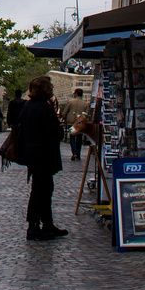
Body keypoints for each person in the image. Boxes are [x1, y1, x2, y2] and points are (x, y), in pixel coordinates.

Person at [22, 75, 66, 240]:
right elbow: (54, 133)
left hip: (33, 154)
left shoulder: (28, 106)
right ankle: (34, 226)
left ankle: (46, 223)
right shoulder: (44, 108)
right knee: (41, 190)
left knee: (43, 189)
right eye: (50, 87)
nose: (52, 89)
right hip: (43, 155)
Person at [61, 88, 89, 161]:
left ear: (76, 94)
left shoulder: (71, 102)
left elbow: (65, 112)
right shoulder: (85, 103)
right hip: (80, 123)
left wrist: (63, 117)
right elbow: (86, 114)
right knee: (79, 138)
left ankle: (74, 152)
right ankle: (78, 154)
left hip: (71, 122)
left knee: (72, 138)